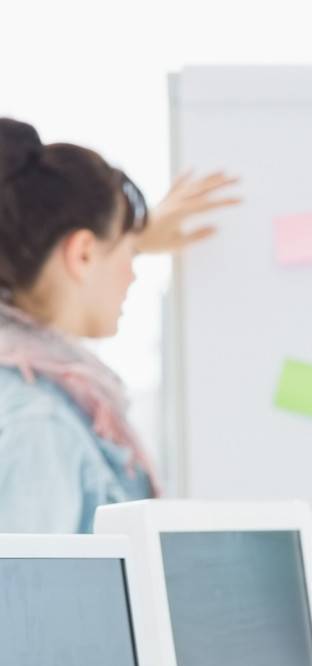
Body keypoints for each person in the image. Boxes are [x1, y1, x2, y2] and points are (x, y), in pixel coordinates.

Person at [0, 117, 237, 533]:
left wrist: (130, 235)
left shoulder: (31, 394)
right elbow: (26, 595)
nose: (132, 274)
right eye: (128, 253)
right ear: (83, 254)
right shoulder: (38, 425)